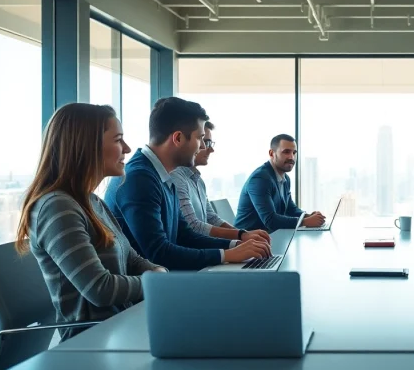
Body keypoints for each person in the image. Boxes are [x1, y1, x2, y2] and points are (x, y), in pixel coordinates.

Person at [15, 103, 166, 341]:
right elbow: (100, 290)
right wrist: (156, 281)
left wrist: (159, 274)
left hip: (120, 328)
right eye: (118, 140)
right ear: (86, 146)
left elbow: (132, 259)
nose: (126, 148)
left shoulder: (92, 201)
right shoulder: (57, 207)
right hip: (91, 339)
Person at [105, 97, 271, 271]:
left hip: (165, 280)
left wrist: (235, 244)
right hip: (145, 292)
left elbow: (184, 235)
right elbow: (158, 253)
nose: (201, 147)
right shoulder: (139, 178)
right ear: (178, 138)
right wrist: (226, 255)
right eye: (200, 138)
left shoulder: (164, 175)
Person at [171, 121, 270, 243]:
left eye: (209, 142)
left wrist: (244, 236)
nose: (210, 149)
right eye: (204, 141)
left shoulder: (198, 180)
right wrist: (240, 237)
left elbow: (212, 218)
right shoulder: (175, 176)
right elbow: (193, 226)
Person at [235, 134, 325, 232]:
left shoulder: (285, 178)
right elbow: (270, 220)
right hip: (248, 241)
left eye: (294, 152)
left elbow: (290, 209)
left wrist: (308, 216)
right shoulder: (260, 178)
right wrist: (305, 221)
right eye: (286, 152)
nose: (292, 157)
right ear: (271, 153)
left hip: (270, 238)